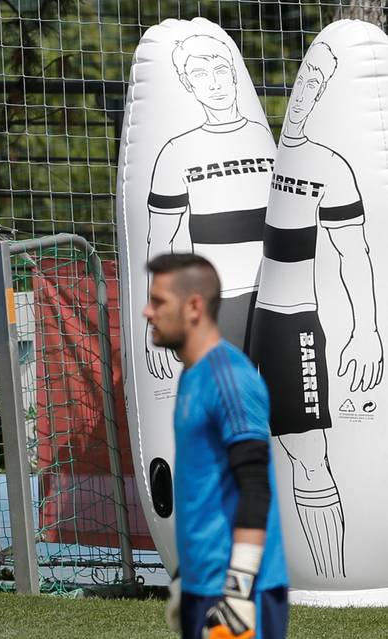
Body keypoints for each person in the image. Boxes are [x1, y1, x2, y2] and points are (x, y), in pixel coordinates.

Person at [249, 42, 381, 578]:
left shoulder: (331, 167)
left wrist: (367, 330)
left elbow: (356, 253)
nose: (306, 93)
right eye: (303, 83)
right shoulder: (278, 160)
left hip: (295, 323)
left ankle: (333, 579)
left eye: (316, 84)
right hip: (251, 317)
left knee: (309, 456)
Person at [144, 253, 288, 639]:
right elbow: (205, 491)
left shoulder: (231, 379)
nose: (147, 312)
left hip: (241, 593)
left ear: (193, 306)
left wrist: (238, 589)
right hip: (201, 585)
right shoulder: (192, 376)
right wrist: (183, 575)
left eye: (158, 302)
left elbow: (256, 488)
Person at [146, 34, 273, 379]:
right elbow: (162, 240)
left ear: (234, 73)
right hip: (220, 301)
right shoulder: (175, 152)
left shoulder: (266, 141)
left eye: (220, 69)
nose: (215, 83)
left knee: (282, 422)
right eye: (201, 74)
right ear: (188, 84)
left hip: (278, 297)